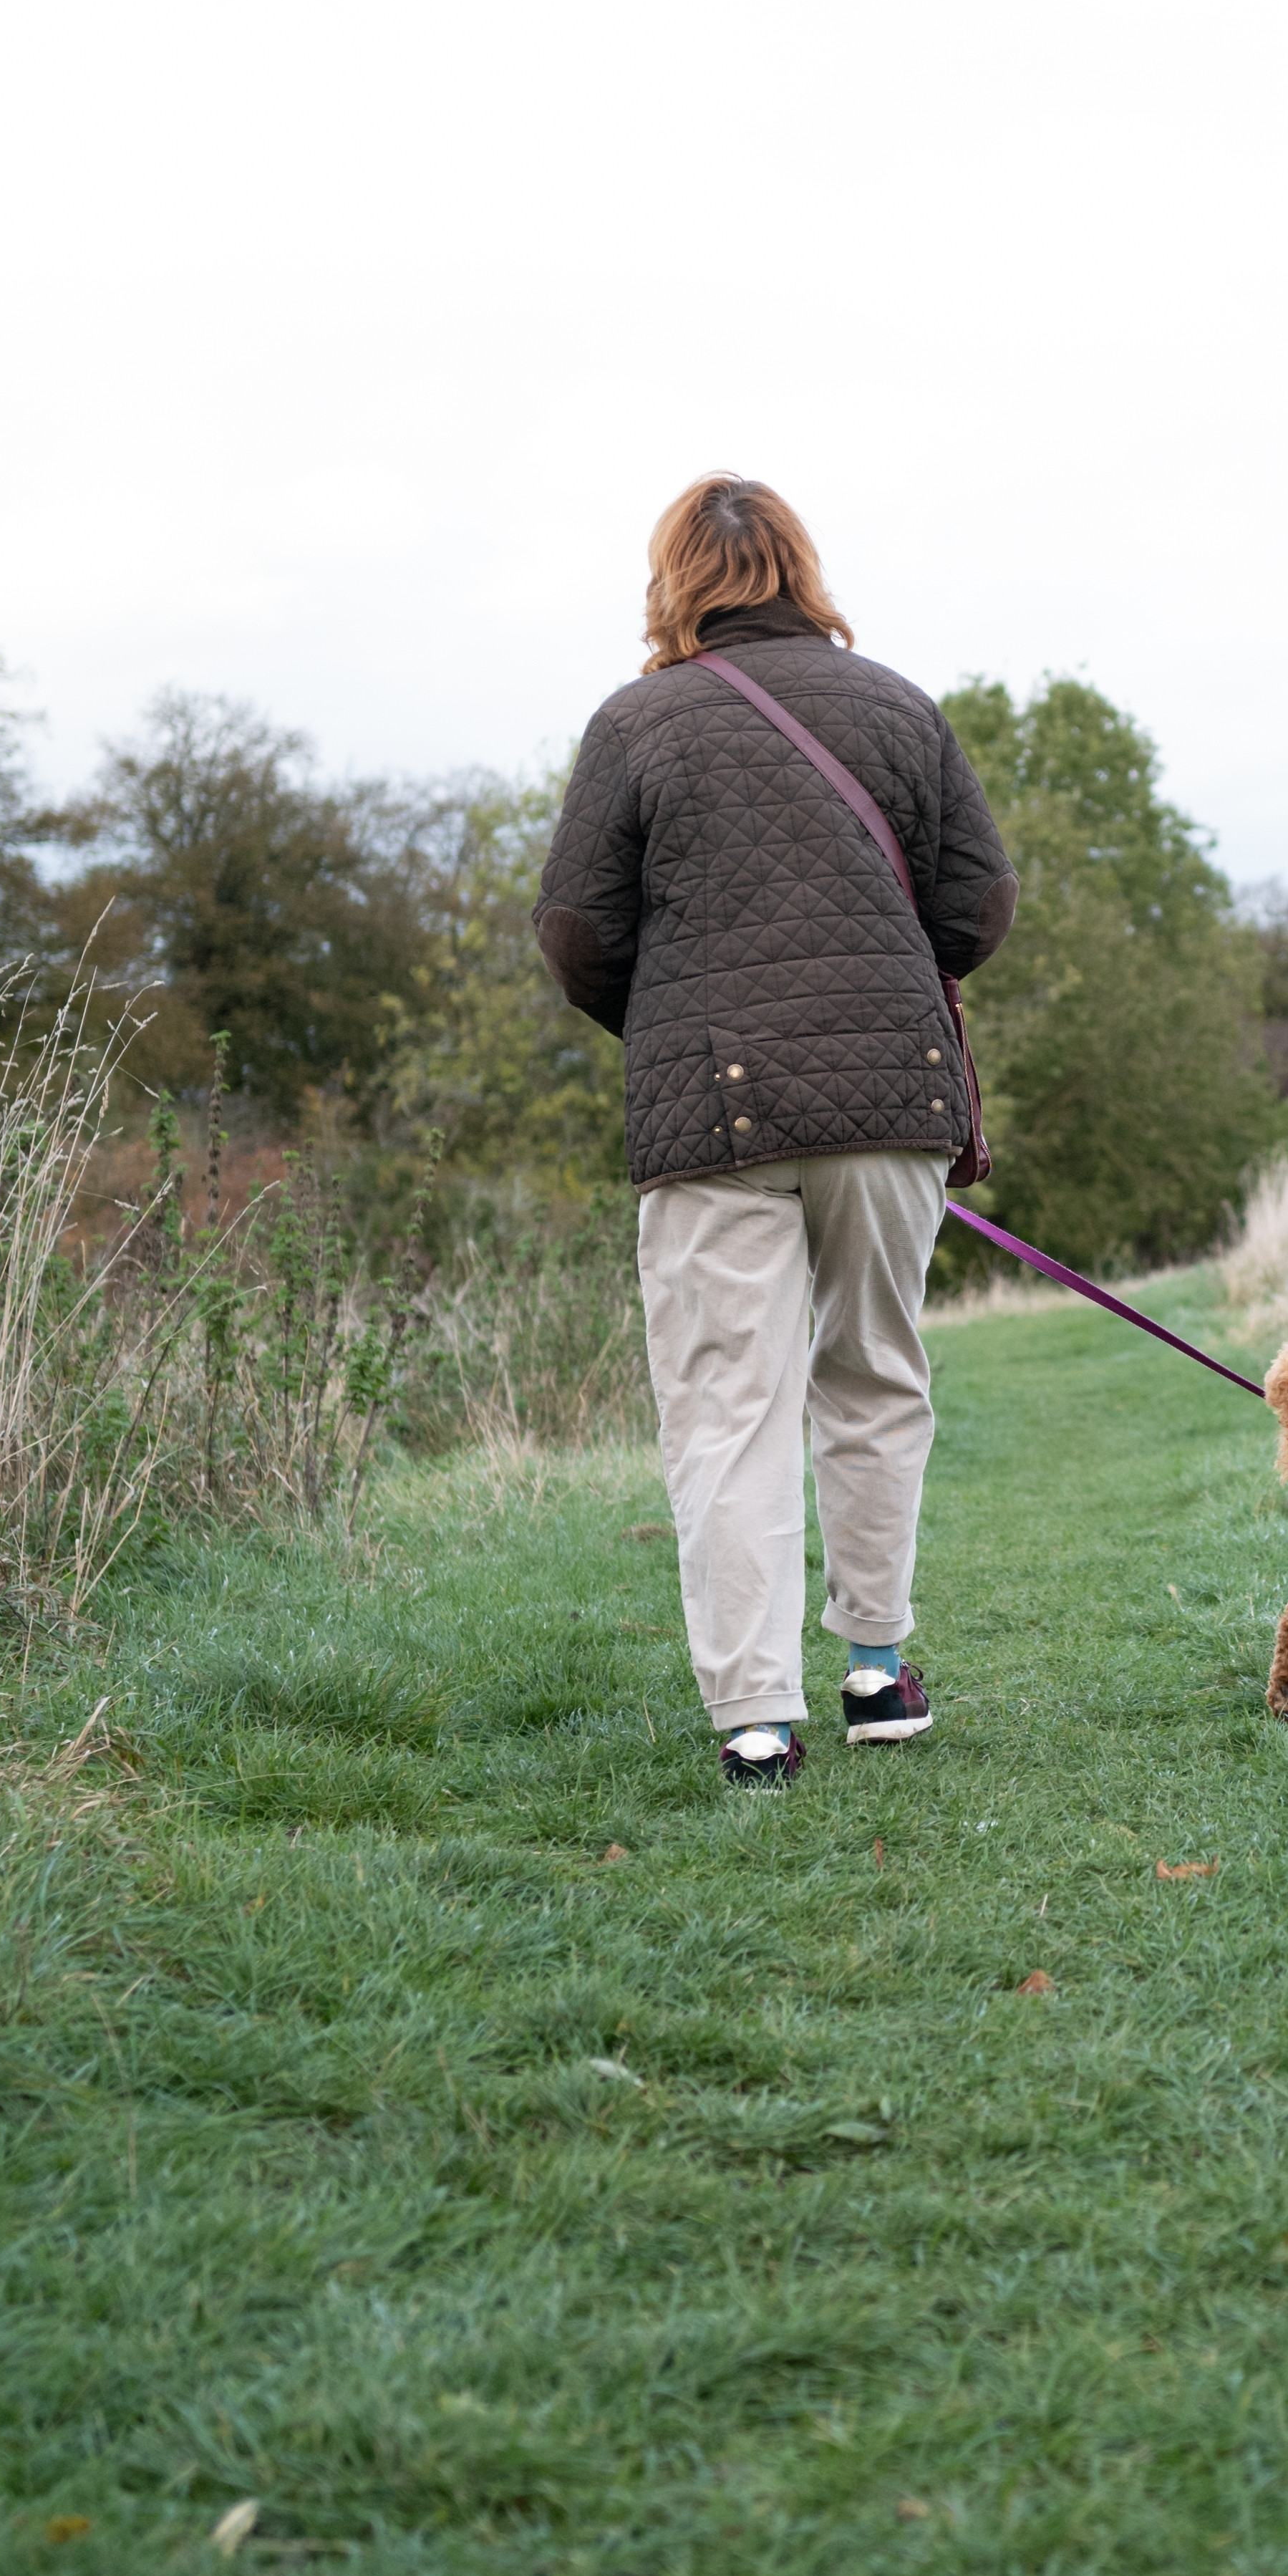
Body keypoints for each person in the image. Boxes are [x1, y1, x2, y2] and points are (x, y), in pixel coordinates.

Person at [536, 476, 1015, 1790]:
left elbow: (577, 934)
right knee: (875, 1375)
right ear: (802, 571)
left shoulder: (637, 723)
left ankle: (757, 1716)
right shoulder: (901, 708)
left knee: (727, 1409)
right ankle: (876, 1668)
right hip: (891, 1095)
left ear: (675, 580)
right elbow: (978, 907)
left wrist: (674, 1015)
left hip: (713, 1108)